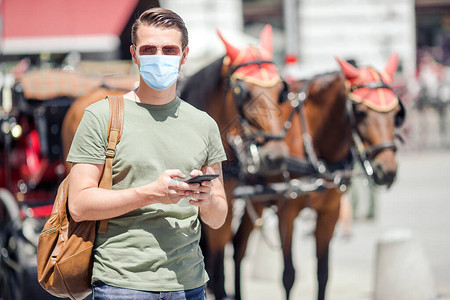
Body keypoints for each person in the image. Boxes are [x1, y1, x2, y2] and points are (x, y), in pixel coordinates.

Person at [66, 8, 228, 300]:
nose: (160, 57)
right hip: (122, 285)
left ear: (184, 55)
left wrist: (207, 200)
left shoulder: (204, 124)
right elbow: (78, 204)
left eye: (169, 49)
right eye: (149, 49)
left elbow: (218, 217)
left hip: (189, 285)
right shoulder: (101, 116)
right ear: (134, 54)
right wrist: (151, 193)